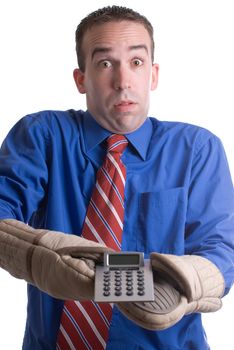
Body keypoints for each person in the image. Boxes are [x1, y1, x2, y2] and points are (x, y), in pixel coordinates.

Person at [0, 5, 233, 350]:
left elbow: (222, 250)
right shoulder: (42, 137)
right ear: (82, 79)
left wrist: (188, 282)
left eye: (136, 63)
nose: (123, 81)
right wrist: (52, 260)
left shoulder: (197, 149)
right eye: (105, 63)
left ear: (153, 75)